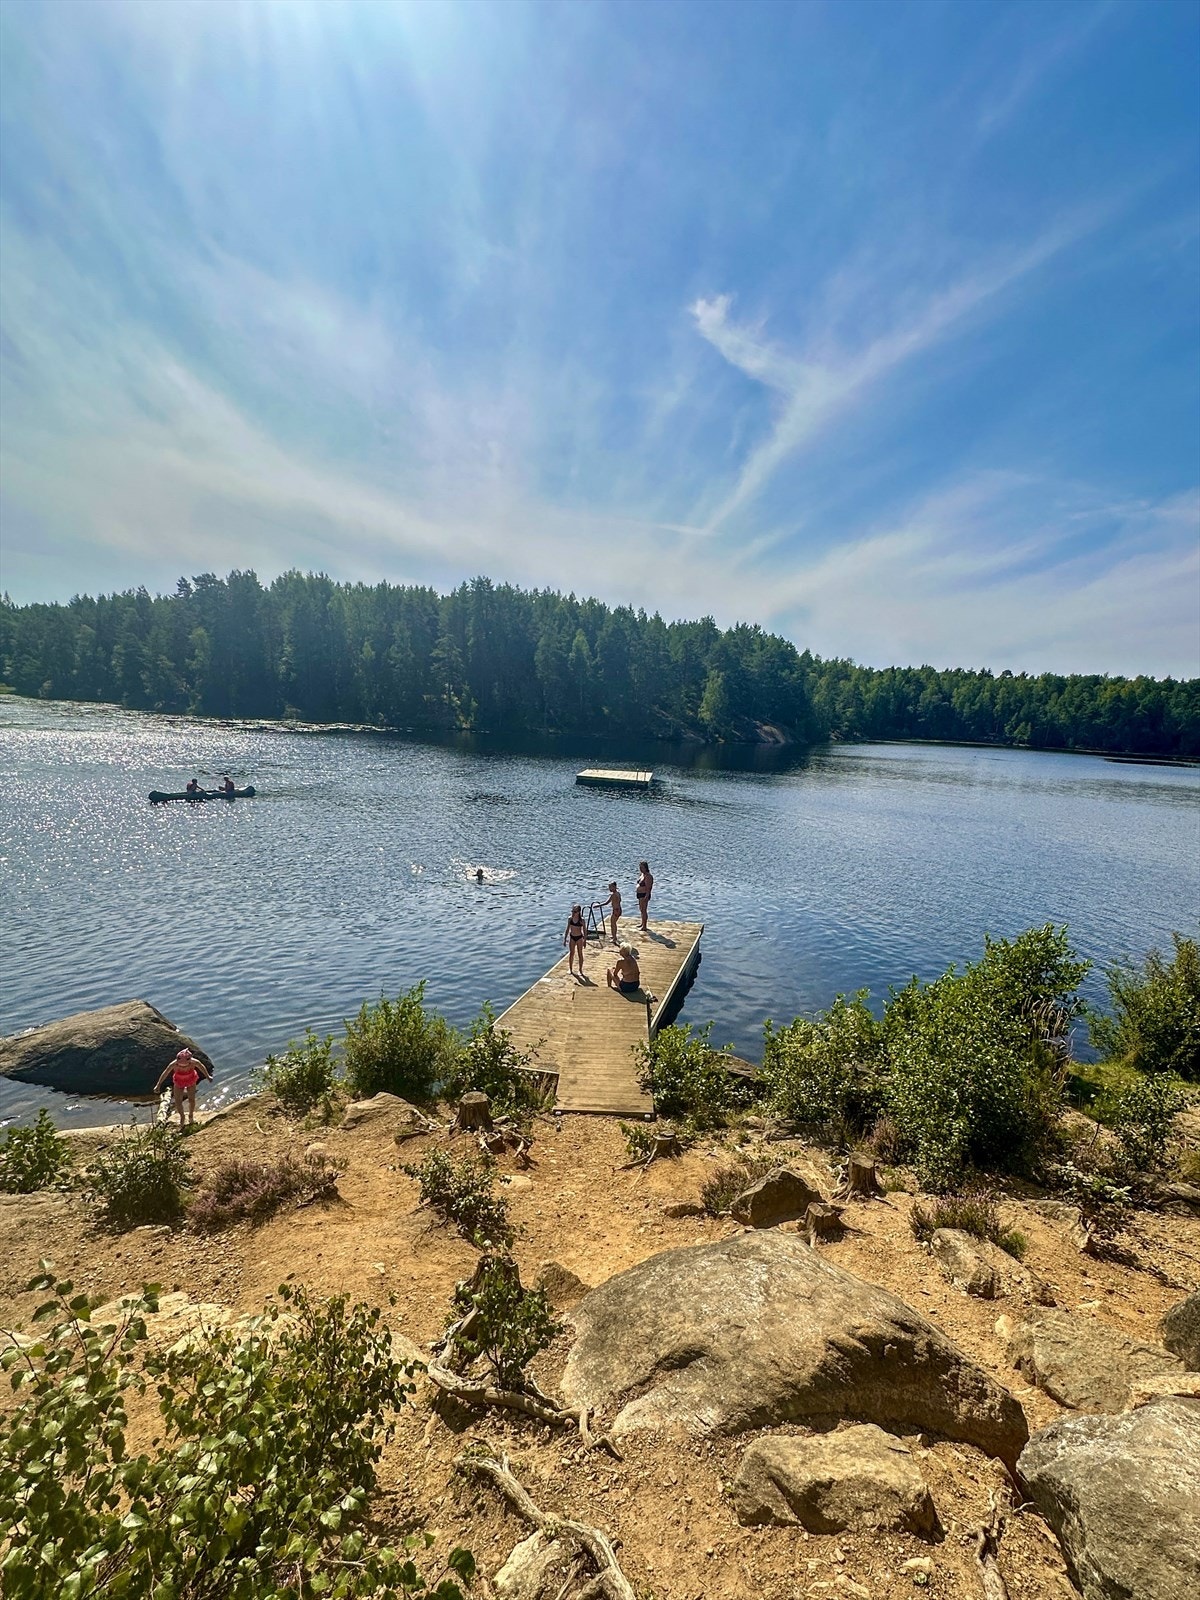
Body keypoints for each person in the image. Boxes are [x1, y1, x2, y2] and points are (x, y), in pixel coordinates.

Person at [153, 1047, 213, 1130]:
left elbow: (201, 1067)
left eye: (185, 1065)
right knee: (178, 1100)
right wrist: (158, 1085)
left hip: (191, 1079)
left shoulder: (194, 1062)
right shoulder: (174, 1064)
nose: (183, 1066)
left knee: (191, 1099)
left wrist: (208, 1076)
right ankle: (182, 1116)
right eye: (180, 1064)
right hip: (178, 1081)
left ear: (190, 1060)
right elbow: (165, 1072)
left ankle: (191, 1115)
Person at [563, 902, 587, 977]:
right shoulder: (570, 919)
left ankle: (580, 970)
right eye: (572, 911)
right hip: (572, 937)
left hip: (579, 937)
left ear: (579, 912)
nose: (573, 913)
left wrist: (585, 940)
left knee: (580, 953)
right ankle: (570, 968)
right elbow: (567, 929)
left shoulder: (581, 920)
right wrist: (565, 939)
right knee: (571, 953)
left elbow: (585, 930)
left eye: (575, 911)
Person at [636, 861, 654, 931]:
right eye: (640, 867)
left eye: (642, 867)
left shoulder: (648, 876)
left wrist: (647, 896)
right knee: (641, 909)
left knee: (644, 910)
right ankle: (642, 923)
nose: (640, 869)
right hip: (640, 894)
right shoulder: (642, 875)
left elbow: (649, 888)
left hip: (644, 895)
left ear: (646, 868)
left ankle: (644, 926)